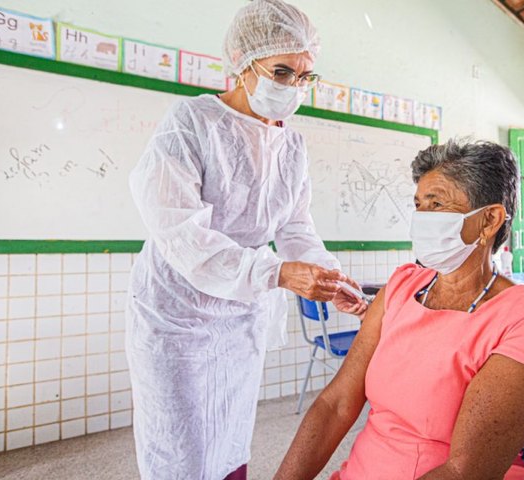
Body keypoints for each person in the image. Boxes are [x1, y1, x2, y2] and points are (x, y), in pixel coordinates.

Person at [125, 1, 366, 479]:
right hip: (177, 317)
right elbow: (179, 230)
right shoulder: (191, 122)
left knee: (230, 435)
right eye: (282, 71)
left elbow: (295, 227)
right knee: (181, 448)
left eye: (304, 76)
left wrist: (328, 274)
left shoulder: (291, 145)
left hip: (241, 318)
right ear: (242, 60)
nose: (294, 87)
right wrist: (274, 271)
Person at [275, 139, 524, 480]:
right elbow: (336, 404)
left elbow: (463, 472)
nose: (421, 218)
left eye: (437, 204)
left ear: (489, 219)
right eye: (418, 204)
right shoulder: (404, 287)